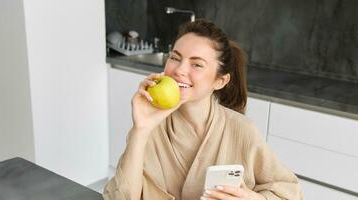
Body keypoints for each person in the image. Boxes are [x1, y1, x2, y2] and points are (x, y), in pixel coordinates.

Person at [103, 19, 302, 200]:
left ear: (220, 80)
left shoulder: (242, 131)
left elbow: (290, 193)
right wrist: (141, 130)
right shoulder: (149, 126)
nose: (179, 70)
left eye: (197, 64)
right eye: (175, 57)